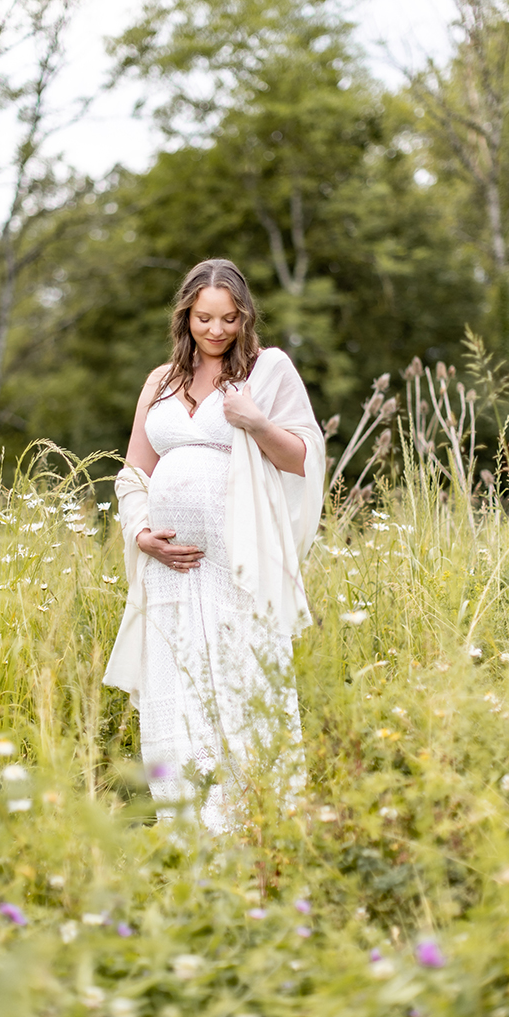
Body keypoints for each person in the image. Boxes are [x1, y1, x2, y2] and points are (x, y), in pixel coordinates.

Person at [103, 259, 325, 832]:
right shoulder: (160, 381)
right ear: (186, 316)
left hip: (236, 562)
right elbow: (133, 473)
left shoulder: (264, 374)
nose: (217, 330)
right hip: (169, 569)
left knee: (241, 678)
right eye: (205, 317)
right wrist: (142, 534)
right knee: (175, 686)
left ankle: (256, 824)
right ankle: (188, 829)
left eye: (229, 319)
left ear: (244, 317)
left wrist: (253, 421)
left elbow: (303, 459)